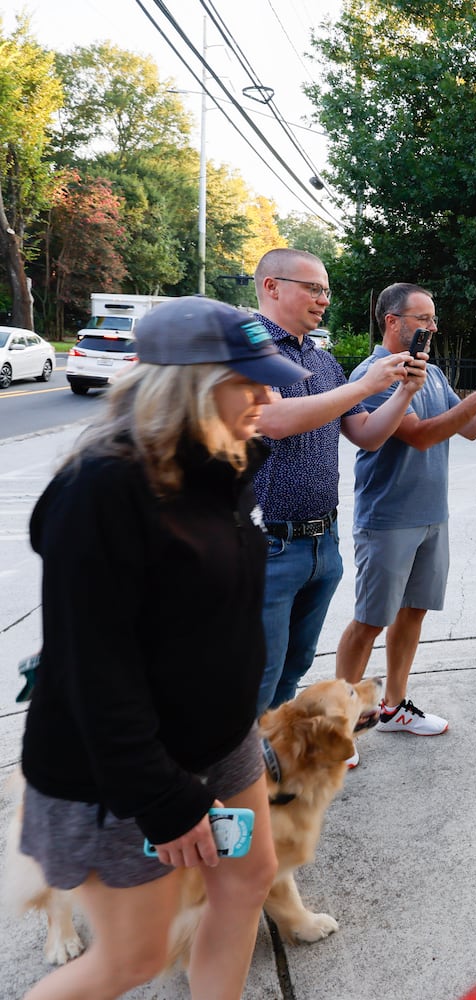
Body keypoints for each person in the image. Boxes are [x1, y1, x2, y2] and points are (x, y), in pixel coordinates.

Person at [19, 296, 311, 999]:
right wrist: (163, 799)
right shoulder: (103, 490)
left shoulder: (220, 466)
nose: (268, 396)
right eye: (250, 381)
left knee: (245, 881)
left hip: (219, 740)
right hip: (121, 771)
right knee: (133, 959)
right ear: (188, 385)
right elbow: (96, 673)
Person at [333, 283, 476, 751]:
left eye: (434, 319)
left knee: (413, 612)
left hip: (433, 514)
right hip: (389, 517)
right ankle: (339, 723)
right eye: (423, 319)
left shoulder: (431, 372)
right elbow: (417, 436)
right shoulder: (374, 374)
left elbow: (470, 429)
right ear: (392, 321)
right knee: (369, 621)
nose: (433, 328)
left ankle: (394, 706)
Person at [249, 249, 423, 713]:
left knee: (293, 667)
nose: (324, 299)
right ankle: (237, 779)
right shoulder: (249, 350)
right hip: (267, 545)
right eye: (313, 288)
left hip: (321, 543)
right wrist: (367, 385)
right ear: (272, 287)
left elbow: (365, 435)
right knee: (255, 677)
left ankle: (268, 766)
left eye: (326, 290)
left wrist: (404, 391)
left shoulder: (323, 363)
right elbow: (275, 420)